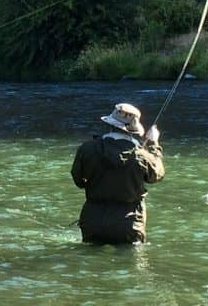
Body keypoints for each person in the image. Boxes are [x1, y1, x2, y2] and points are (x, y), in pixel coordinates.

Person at [70, 102, 164, 244]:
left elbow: (78, 181)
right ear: (133, 129)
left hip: (92, 220)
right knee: (131, 264)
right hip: (129, 224)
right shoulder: (142, 155)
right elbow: (156, 176)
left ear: (110, 124)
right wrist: (153, 144)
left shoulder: (86, 149)